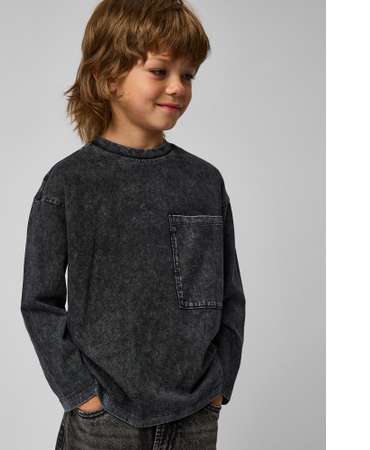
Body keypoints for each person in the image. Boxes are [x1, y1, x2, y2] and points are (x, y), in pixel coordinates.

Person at [20, 1, 246, 448]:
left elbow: (229, 295)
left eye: (188, 75)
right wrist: (83, 396)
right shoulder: (69, 182)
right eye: (160, 71)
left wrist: (218, 386)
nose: (178, 87)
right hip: (105, 421)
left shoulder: (205, 182)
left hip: (195, 416)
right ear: (109, 76)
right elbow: (39, 301)